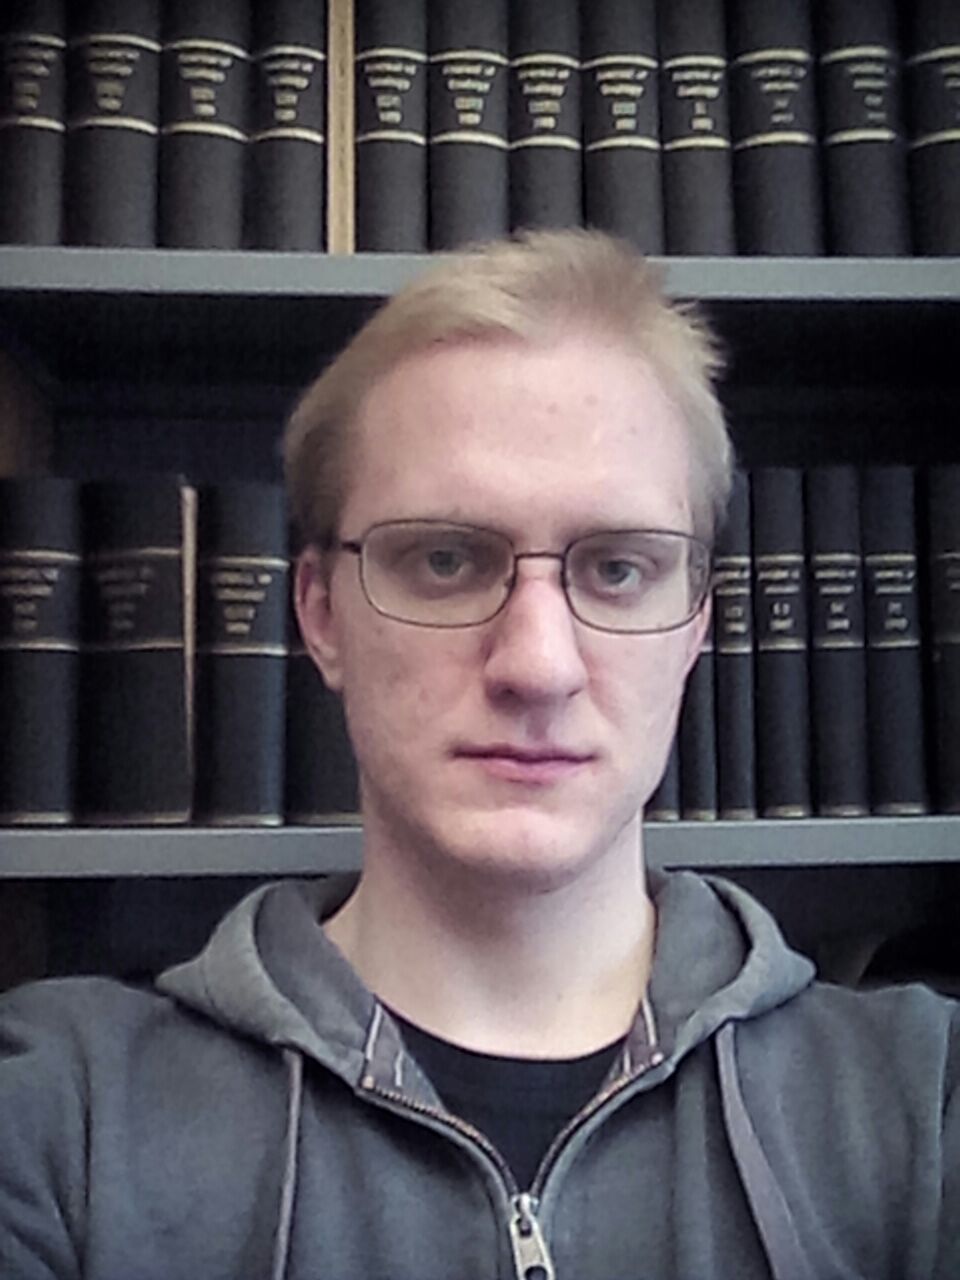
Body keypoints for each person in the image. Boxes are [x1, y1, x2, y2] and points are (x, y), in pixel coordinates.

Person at [1, 230, 957, 1280]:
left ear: (697, 625)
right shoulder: (56, 1117)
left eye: (619, 569)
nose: (538, 665)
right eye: (445, 559)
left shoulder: (926, 1099)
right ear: (320, 615)